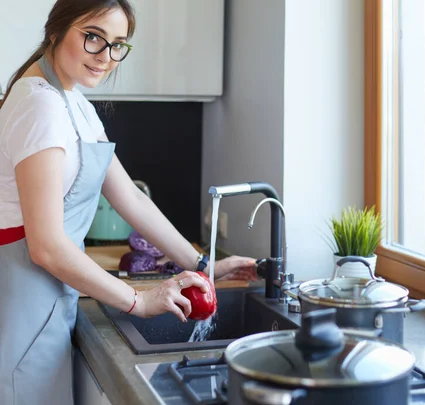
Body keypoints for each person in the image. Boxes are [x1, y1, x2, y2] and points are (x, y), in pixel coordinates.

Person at [0, 1, 257, 404]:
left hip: (49, 297)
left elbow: (131, 198)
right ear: (56, 31)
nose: (106, 57)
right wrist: (138, 301)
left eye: (118, 44)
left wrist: (202, 265)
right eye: (93, 38)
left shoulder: (74, 104)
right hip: (23, 303)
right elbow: (46, 246)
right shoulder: (40, 107)